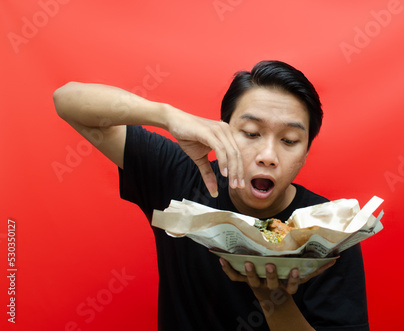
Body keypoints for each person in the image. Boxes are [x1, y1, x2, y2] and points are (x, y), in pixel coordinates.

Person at [53, 60, 369, 330]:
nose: (268, 155)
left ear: (305, 154)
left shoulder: (332, 231)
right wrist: (167, 116)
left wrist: (275, 300)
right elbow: (66, 100)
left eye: (289, 140)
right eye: (251, 134)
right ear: (223, 131)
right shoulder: (180, 174)